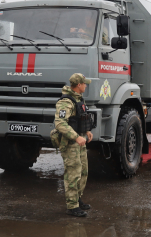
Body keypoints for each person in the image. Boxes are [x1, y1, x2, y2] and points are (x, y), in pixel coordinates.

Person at [54, 73, 93, 217]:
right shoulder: (66, 102)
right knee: (73, 173)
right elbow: (60, 123)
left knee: (83, 172)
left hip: (80, 140)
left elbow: (80, 118)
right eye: (84, 83)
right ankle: (72, 206)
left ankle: (77, 198)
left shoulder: (78, 99)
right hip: (71, 143)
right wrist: (76, 137)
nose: (86, 85)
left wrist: (87, 131)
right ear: (78, 85)